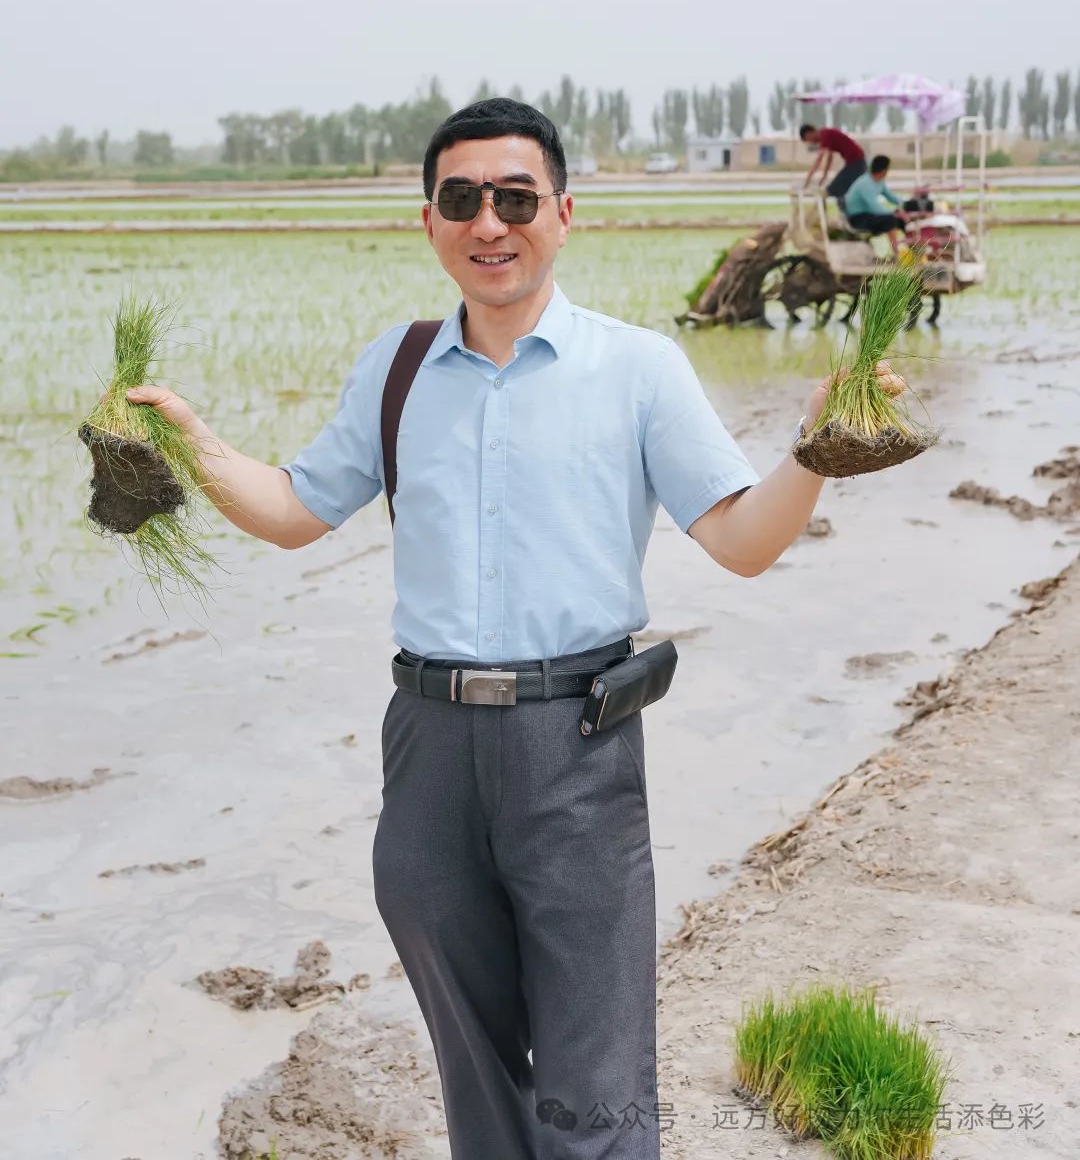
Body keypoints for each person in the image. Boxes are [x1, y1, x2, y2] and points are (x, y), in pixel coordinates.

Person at [124, 98, 904, 1160]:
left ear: (563, 213)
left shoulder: (635, 369)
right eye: (461, 200)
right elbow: (297, 511)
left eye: (514, 197)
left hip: (576, 743)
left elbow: (741, 541)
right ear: (431, 221)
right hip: (429, 747)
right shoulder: (397, 370)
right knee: (477, 1078)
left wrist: (813, 453)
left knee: (597, 1084)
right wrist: (192, 443)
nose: (489, 223)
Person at [844, 154, 911, 256]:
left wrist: (906, 205)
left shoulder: (879, 181)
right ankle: (896, 254)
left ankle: (911, 250)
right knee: (891, 219)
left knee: (902, 220)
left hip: (869, 215)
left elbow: (891, 197)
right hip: (858, 218)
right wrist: (895, 213)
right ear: (884, 171)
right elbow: (875, 207)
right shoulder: (865, 183)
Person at [799, 121, 867, 207]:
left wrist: (807, 181)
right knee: (840, 191)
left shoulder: (824, 136)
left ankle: (820, 215)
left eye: (808, 139)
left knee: (832, 189)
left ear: (809, 133)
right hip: (856, 163)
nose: (811, 142)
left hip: (856, 163)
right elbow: (829, 158)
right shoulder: (825, 135)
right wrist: (824, 176)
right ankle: (846, 215)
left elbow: (819, 161)